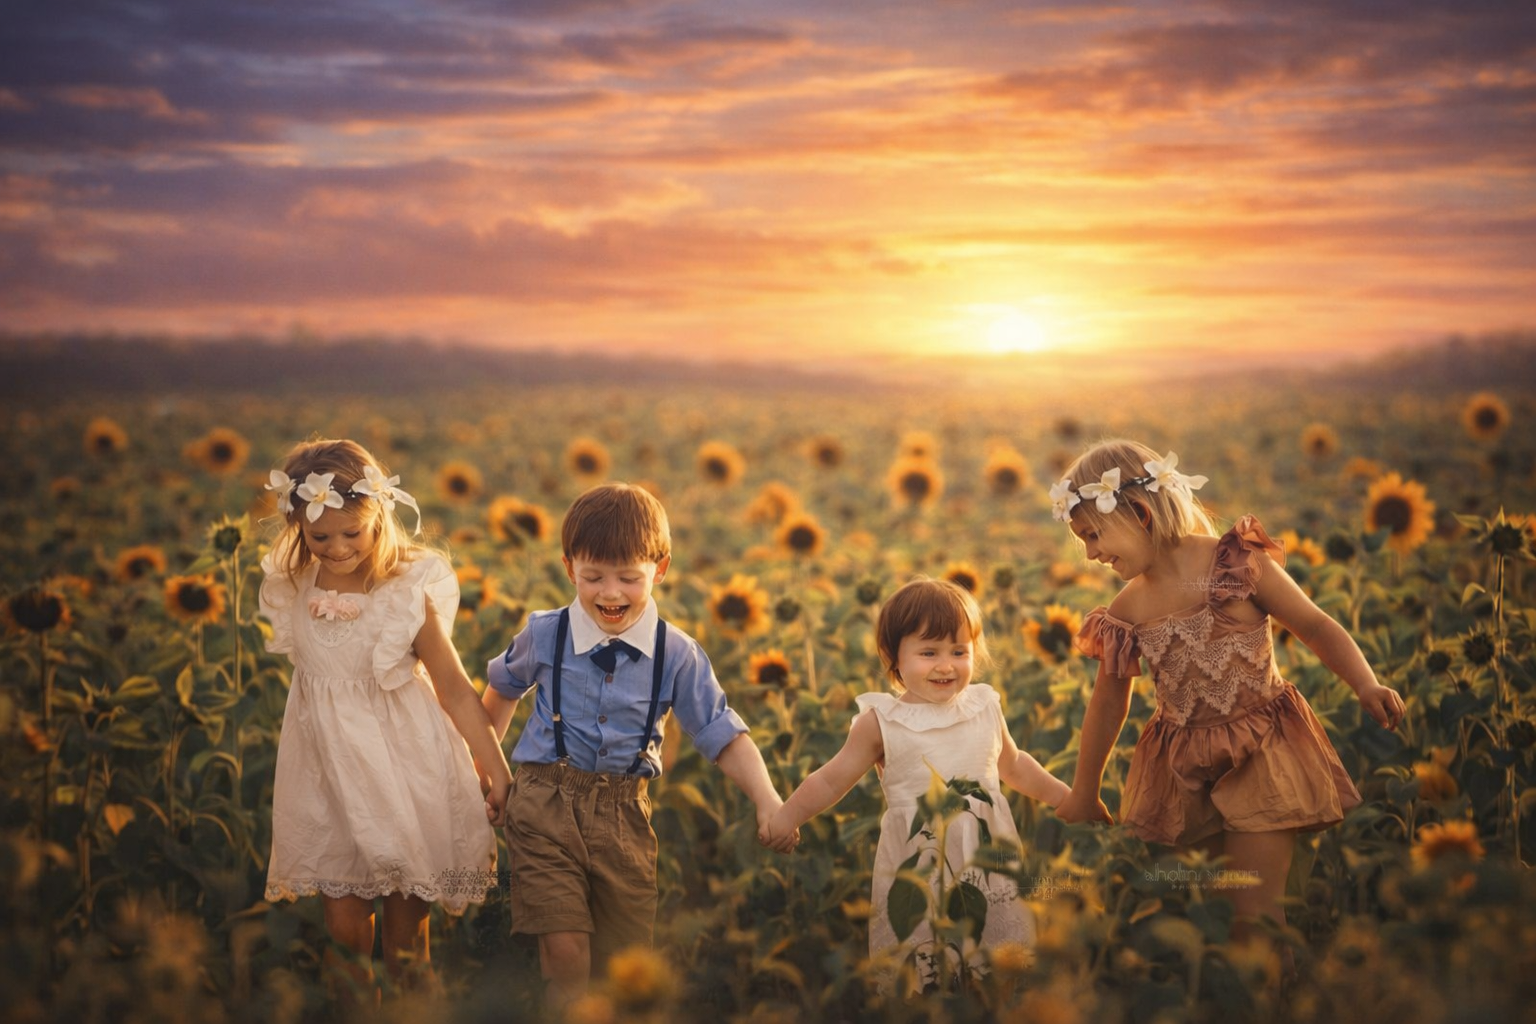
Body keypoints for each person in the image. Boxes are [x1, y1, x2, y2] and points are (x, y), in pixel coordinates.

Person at [1050, 440, 1404, 957]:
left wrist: (1365, 682)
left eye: (1093, 535)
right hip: (1183, 770)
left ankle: (1268, 1001)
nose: (1090, 553)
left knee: (1252, 914)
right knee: (1209, 907)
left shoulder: (1234, 564)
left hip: (1262, 752)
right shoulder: (1127, 608)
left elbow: (1313, 625)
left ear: (1141, 515)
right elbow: (1108, 704)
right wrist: (1084, 791)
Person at [482, 482, 786, 1009]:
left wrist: (768, 799)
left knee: (624, 966)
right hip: (543, 805)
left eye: (630, 578)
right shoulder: (546, 633)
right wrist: (485, 772)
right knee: (566, 951)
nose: (610, 594)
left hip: (624, 816)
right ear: (568, 566)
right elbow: (502, 690)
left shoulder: (677, 653)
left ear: (660, 569)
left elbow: (720, 732)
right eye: (593, 577)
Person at [258, 439, 512, 990]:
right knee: (345, 941)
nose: (337, 547)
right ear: (298, 525)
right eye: (320, 536)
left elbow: (453, 688)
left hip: (405, 776)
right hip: (327, 781)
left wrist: (494, 768)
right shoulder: (295, 584)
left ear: (380, 516)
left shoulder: (404, 593)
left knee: (406, 950)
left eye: (353, 533)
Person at [761, 577, 1069, 990]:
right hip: (919, 860)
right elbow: (832, 779)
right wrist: (787, 815)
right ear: (894, 657)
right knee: (923, 960)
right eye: (929, 652)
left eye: (959, 651)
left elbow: (1014, 766)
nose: (946, 665)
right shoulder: (882, 722)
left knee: (996, 961)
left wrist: (1067, 798)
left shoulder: (983, 707)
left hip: (986, 857)